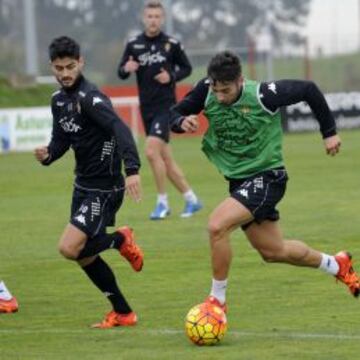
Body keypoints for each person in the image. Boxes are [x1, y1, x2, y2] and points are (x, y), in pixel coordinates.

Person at [171, 51, 360, 310]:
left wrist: (329, 133)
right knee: (273, 251)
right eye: (217, 91)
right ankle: (336, 264)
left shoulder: (264, 95)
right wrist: (181, 121)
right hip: (240, 182)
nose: (220, 97)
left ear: (240, 81)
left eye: (226, 90)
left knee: (217, 226)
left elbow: (309, 89)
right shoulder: (206, 89)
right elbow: (173, 114)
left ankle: (217, 301)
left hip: (268, 177)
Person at [34, 36, 144, 329]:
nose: (65, 73)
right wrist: (47, 155)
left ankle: (120, 239)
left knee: (69, 248)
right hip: (82, 186)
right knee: (84, 256)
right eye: (59, 68)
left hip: (106, 187)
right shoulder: (58, 100)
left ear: (81, 62)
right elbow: (61, 140)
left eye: (71, 66)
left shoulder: (90, 98)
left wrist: (132, 168)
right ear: (52, 67)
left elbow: (119, 128)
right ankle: (123, 312)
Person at [117, 0, 202, 220]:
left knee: (151, 151)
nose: (153, 20)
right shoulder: (134, 44)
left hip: (167, 107)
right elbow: (121, 71)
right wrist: (127, 68)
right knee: (165, 159)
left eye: (157, 16)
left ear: (162, 19)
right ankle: (192, 199)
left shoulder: (171, 43)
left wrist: (171, 76)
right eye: (150, 16)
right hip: (147, 108)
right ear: (144, 18)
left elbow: (187, 68)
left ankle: (162, 203)